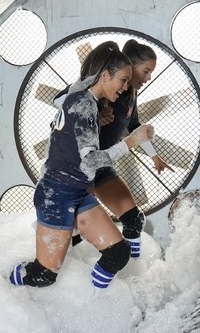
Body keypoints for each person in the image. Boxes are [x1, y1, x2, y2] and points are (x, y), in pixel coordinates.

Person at [10, 42, 155, 289]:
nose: (124, 87)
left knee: (117, 253)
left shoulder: (85, 98)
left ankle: (93, 307)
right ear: (105, 75)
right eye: (122, 80)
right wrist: (130, 142)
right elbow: (89, 162)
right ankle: (5, 287)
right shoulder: (84, 104)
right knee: (43, 275)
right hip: (56, 194)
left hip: (77, 191)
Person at [69, 39, 174, 259]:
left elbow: (134, 127)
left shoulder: (130, 95)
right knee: (74, 231)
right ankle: (68, 272)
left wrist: (155, 156)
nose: (148, 78)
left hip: (103, 167)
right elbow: (63, 100)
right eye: (146, 71)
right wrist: (96, 113)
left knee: (134, 221)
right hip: (82, 168)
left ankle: (132, 272)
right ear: (128, 66)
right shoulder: (96, 92)